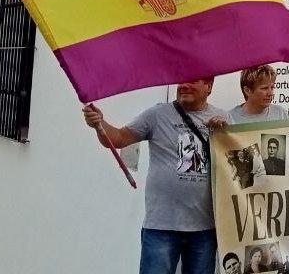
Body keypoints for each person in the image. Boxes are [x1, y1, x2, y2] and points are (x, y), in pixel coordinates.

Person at [82, 78, 225, 274]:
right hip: (161, 227)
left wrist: (225, 134)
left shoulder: (223, 119)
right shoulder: (158, 114)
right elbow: (119, 138)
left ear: (208, 86)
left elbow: (239, 163)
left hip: (204, 228)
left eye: (193, 80)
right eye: (181, 80)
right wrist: (99, 124)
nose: (184, 85)